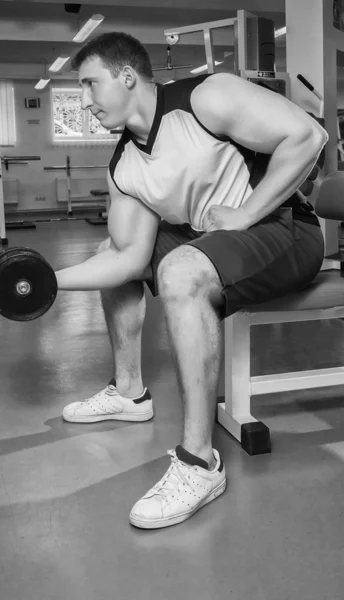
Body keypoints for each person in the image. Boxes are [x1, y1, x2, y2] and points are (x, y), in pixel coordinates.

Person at [55, 32, 328, 529]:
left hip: (283, 228)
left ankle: (200, 462)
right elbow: (131, 258)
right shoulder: (125, 167)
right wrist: (48, 281)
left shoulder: (204, 98)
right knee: (109, 249)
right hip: (217, 236)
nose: (87, 102)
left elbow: (308, 137)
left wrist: (245, 214)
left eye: (91, 84)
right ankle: (130, 391)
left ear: (127, 76)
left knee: (181, 271)